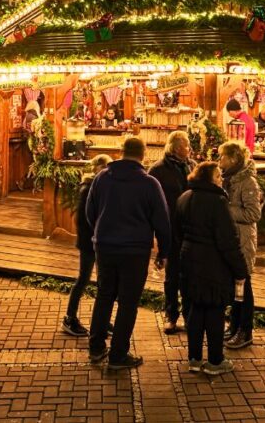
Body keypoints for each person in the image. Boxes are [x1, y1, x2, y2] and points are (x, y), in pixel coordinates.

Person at [85, 137, 171, 370]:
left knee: (104, 295)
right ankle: (118, 355)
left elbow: (90, 211)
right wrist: (163, 252)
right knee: (128, 302)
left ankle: (96, 347)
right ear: (143, 155)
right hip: (135, 249)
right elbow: (162, 221)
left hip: (105, 246)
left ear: (121, 152)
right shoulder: (149, 184)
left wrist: (100, 233)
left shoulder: (102, 178)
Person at [176, 161, 248, 376]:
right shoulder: (217, 202)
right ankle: (216, 360)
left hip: (189, 259)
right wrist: (240, 269)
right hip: (213, 263)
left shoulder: (184, 197)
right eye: (218, 176)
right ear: (209, 178)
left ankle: (194, 358)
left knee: (196, 308)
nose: (221, 179)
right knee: (215, 311)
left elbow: (177, 231)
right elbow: (228, 240)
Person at [148, 131, 196, 334]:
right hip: (170, 228)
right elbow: (151, 201)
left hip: (191, 228)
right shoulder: (158, 170)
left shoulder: (192, 166)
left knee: (190, 274)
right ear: (176, 148)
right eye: (186, 145)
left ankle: (190, 314)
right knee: (172, 275)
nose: (189, 149)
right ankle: (171, 314)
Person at [62, 153, 112, 337]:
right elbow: (84, 219)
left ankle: (102, 319)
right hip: (90, 241)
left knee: (102, 281)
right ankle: (70, 318)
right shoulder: (89, 188)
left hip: (98, 240)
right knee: (83, 279)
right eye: (105, 168)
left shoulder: (97, 186)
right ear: (98, 168)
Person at [217, 140, 261, 349]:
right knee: (236, 287)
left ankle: (245, 330)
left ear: (233, 158)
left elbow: (254, 213)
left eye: (222, 156)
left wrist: (226, 210)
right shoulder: (229, 179)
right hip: (231, 240)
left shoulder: (247, 182)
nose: (219, 161)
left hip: (243, 241)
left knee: (245, 287)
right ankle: (234, 325)